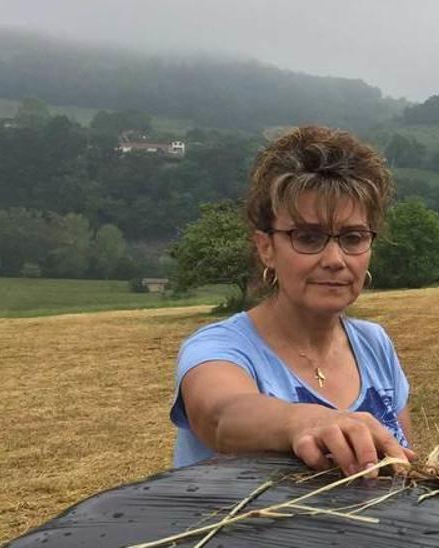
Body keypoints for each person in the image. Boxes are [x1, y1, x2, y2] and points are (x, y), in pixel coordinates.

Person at [170, 126, 414, 478]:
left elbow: (403, 469)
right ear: (266, 247)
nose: (335, 258)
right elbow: (220, 416)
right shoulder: (218, 347)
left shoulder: (375, 345)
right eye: (308, 237)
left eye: (353, 237)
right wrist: (305, 421)